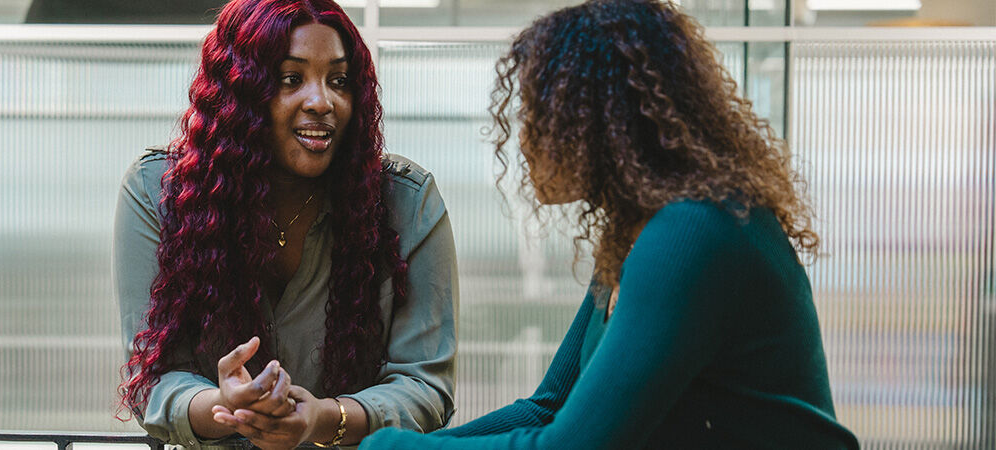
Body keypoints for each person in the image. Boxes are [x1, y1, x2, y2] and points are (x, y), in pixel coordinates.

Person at [361, 0, 858, 449]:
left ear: (602, 121)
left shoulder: (697, 230)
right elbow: (547, 408)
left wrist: (386, 449)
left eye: (541, 114)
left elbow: (572, 447)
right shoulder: (638, 234)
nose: (525, 140)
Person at [113, 0, 458, 448]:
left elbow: (426, 387)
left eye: (339, 81)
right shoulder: (158, 192)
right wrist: (228, 407)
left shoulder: (407, 202)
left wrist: (322, 419)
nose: (321, 101)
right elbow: (152, 379)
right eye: (290, 79)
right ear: (238, 94)